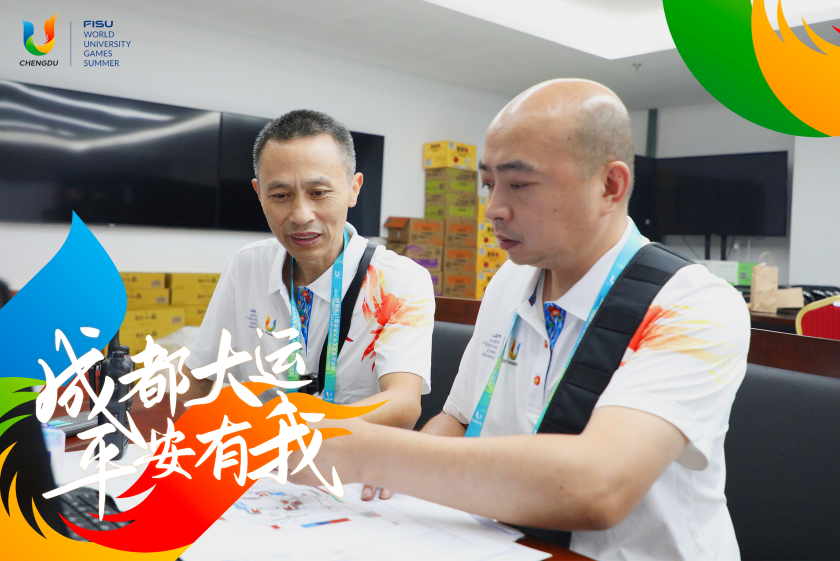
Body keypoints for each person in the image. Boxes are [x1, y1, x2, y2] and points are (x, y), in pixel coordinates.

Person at [290, 80, 750, 560]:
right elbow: (459, 418)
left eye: (520, 185)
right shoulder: (511, 281)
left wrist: (360, 451)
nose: (493, 210)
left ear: (610, 186)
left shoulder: (692, 305)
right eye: (489, 184)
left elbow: (599, 486)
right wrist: (391, 498)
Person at [182, 110, 436, 499]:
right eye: (280, 195)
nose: (301, 215)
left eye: (319, 193)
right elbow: (197, 377)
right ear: (259, 193)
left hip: (350, 478)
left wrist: (301, 431)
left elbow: (403, 403)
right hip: (256, 473)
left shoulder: (398, 280)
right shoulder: (246, 266)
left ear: (353, 188)